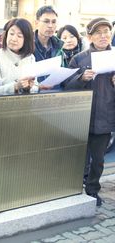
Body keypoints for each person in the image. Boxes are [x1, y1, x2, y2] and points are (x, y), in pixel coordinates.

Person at [63, 17, 115, 207]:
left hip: (105, 116)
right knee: (78, 158)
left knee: (99, 160)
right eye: (98, 33)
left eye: (106, 32)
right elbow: (66, 86)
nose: (103, 36)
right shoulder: (80, 58)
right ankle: (76, 189)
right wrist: (81, 77)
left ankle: (93, 190)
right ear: (89, 36)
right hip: (82, 116)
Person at [0, 18, 38, 95]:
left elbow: (35, 86)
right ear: (6, 35)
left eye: (19, 36)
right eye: (11, 34)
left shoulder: (30, 58)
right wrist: (15, 86)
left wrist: (29, 87)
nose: (14, 39)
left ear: (27, 39)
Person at [34, 5, 64, 85]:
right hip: (33, 93)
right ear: (36, 23)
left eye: (53, 22)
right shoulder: (27, 45)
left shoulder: (59, 46)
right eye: (46, 21)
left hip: (55, 92)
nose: (50, 26)